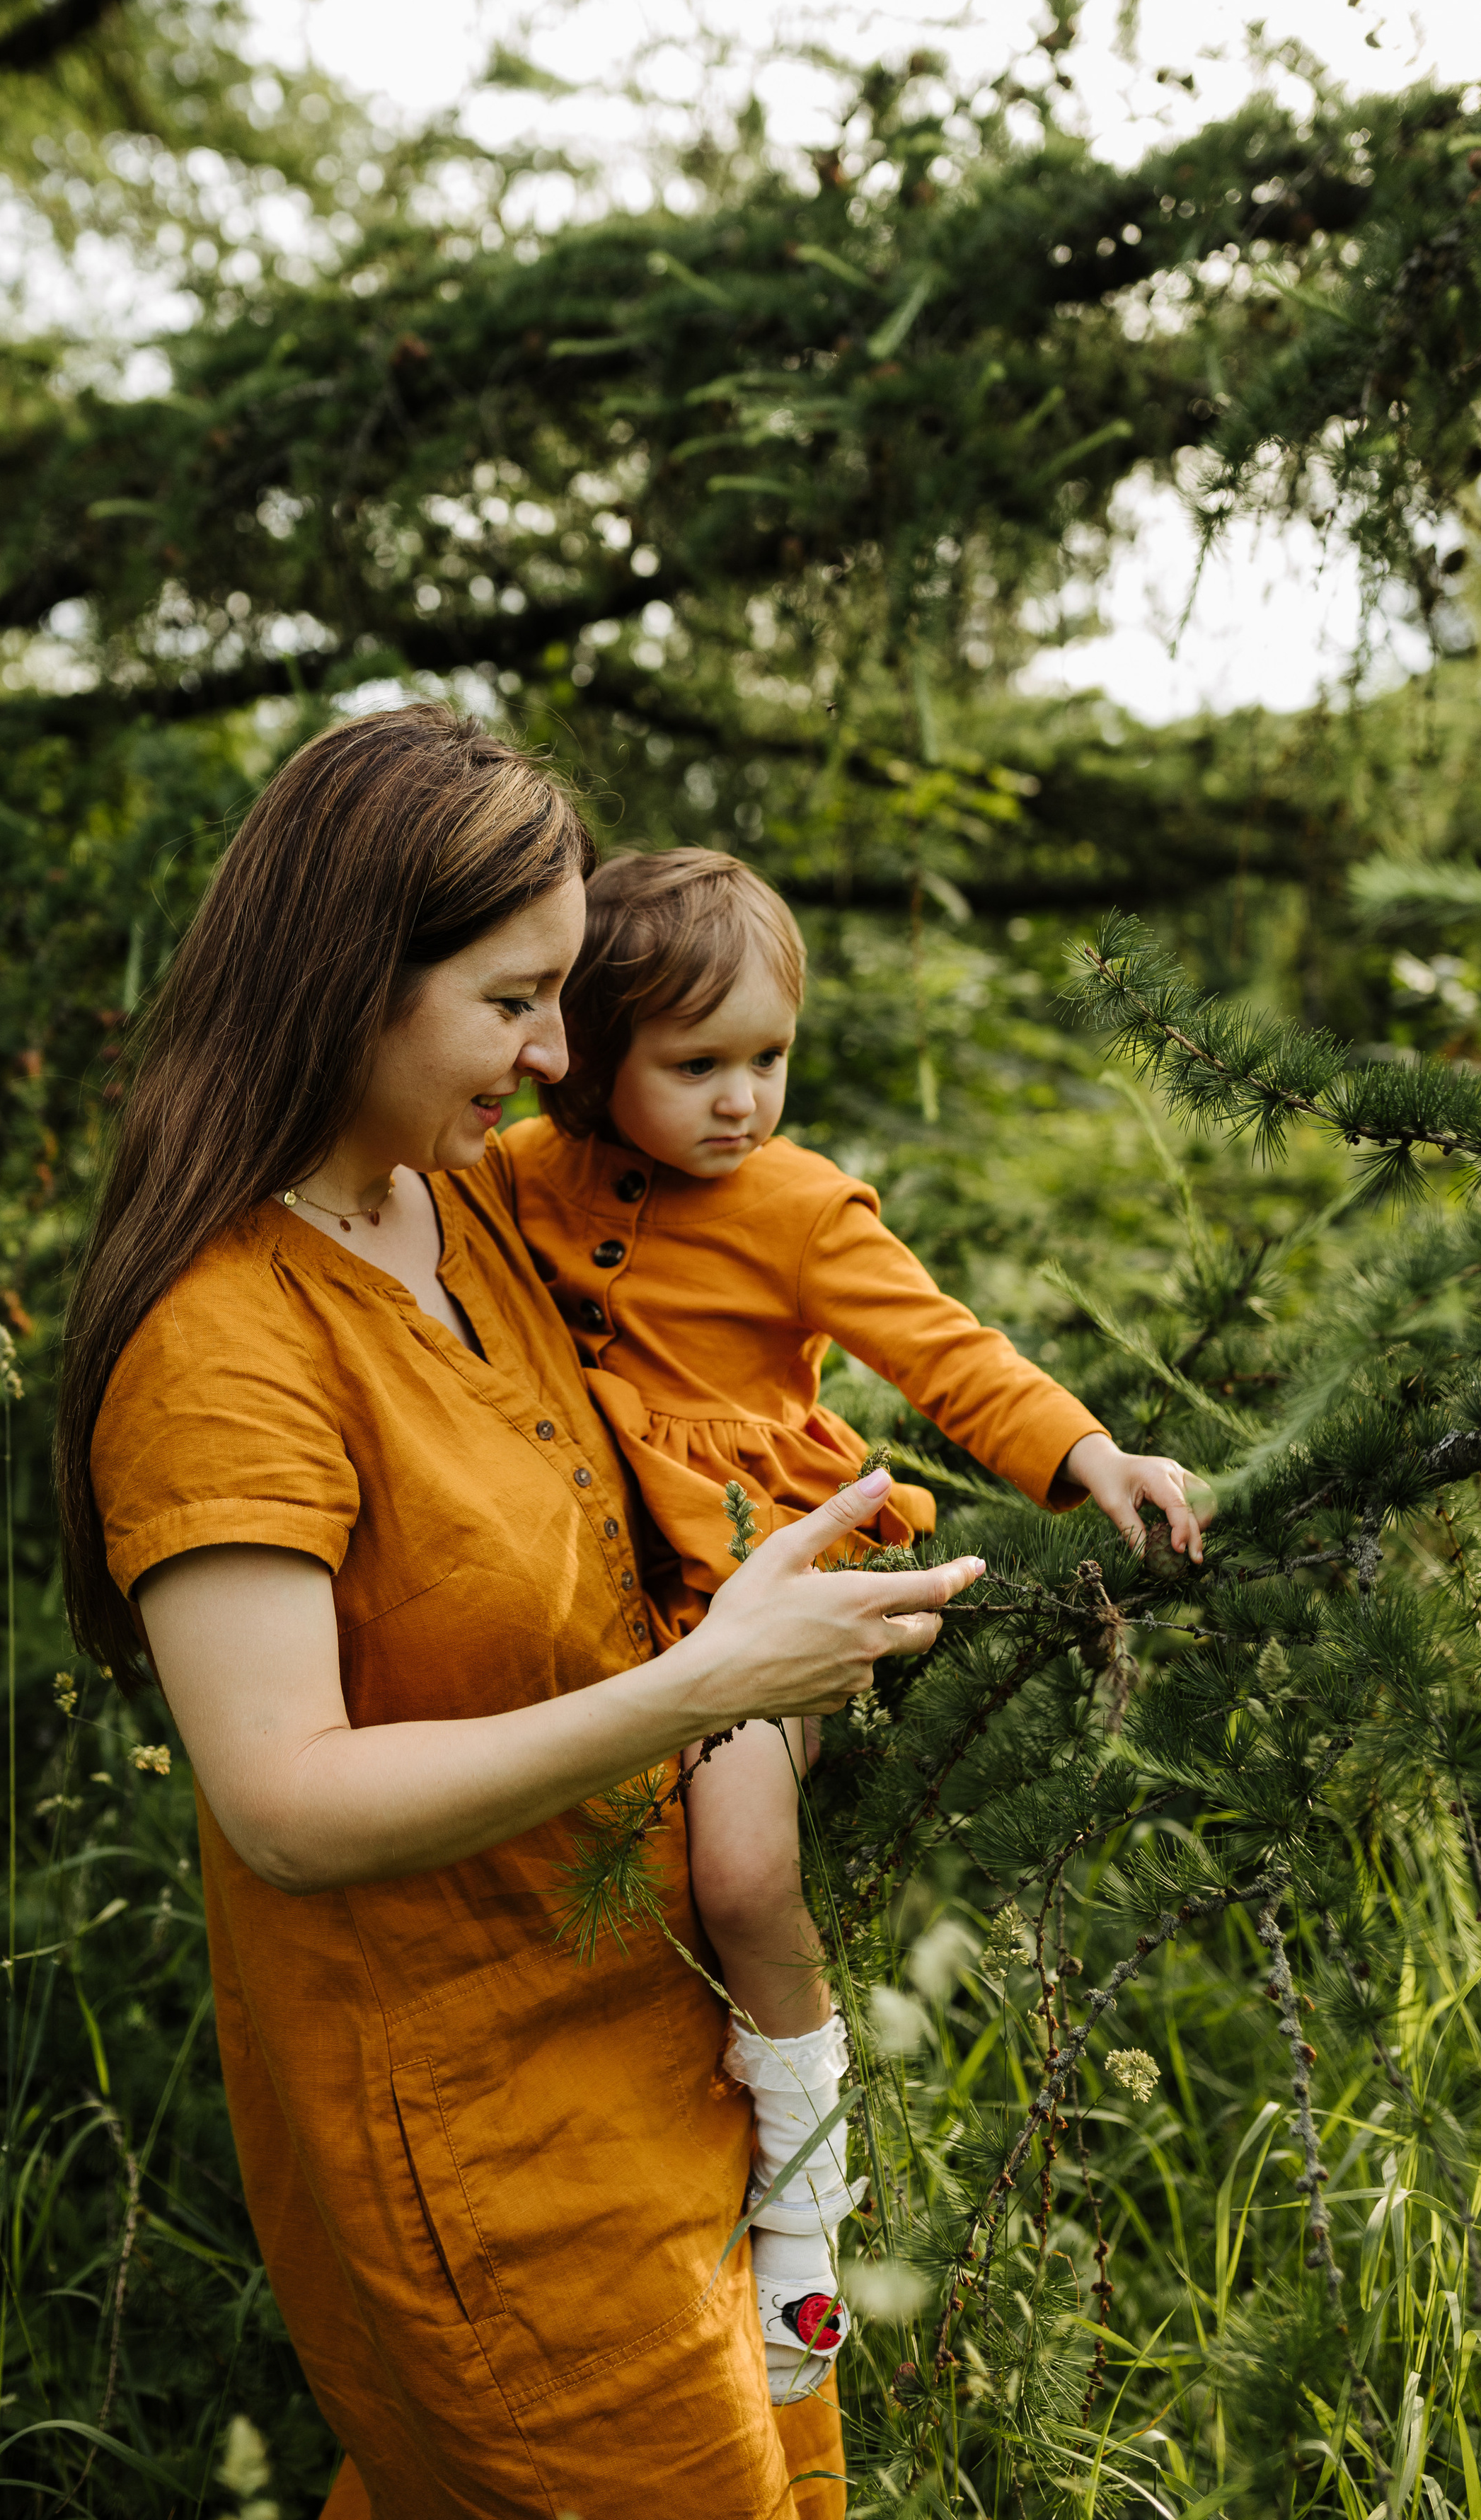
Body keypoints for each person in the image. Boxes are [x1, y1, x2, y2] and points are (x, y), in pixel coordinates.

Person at [54, 708, 988, 2520]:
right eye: (511, 1003)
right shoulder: (223, 1343)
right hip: (486, 2158)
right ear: (348, 982)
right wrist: (710, 1683)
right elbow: (283, 1805)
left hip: (669, 2065)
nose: (559, 1056)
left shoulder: (459, 1202)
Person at [484, 846, 1204, 2400]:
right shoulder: (517, 1174)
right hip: (593, 1560)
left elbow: (945, 1351)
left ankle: (808, 2185)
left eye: (768, 1058)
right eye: (696, 1066)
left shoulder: (798, 1207)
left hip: (761, 1567)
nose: (743, 1098)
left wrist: (1089, 1455)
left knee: (740, 1866)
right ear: (587, 1060)